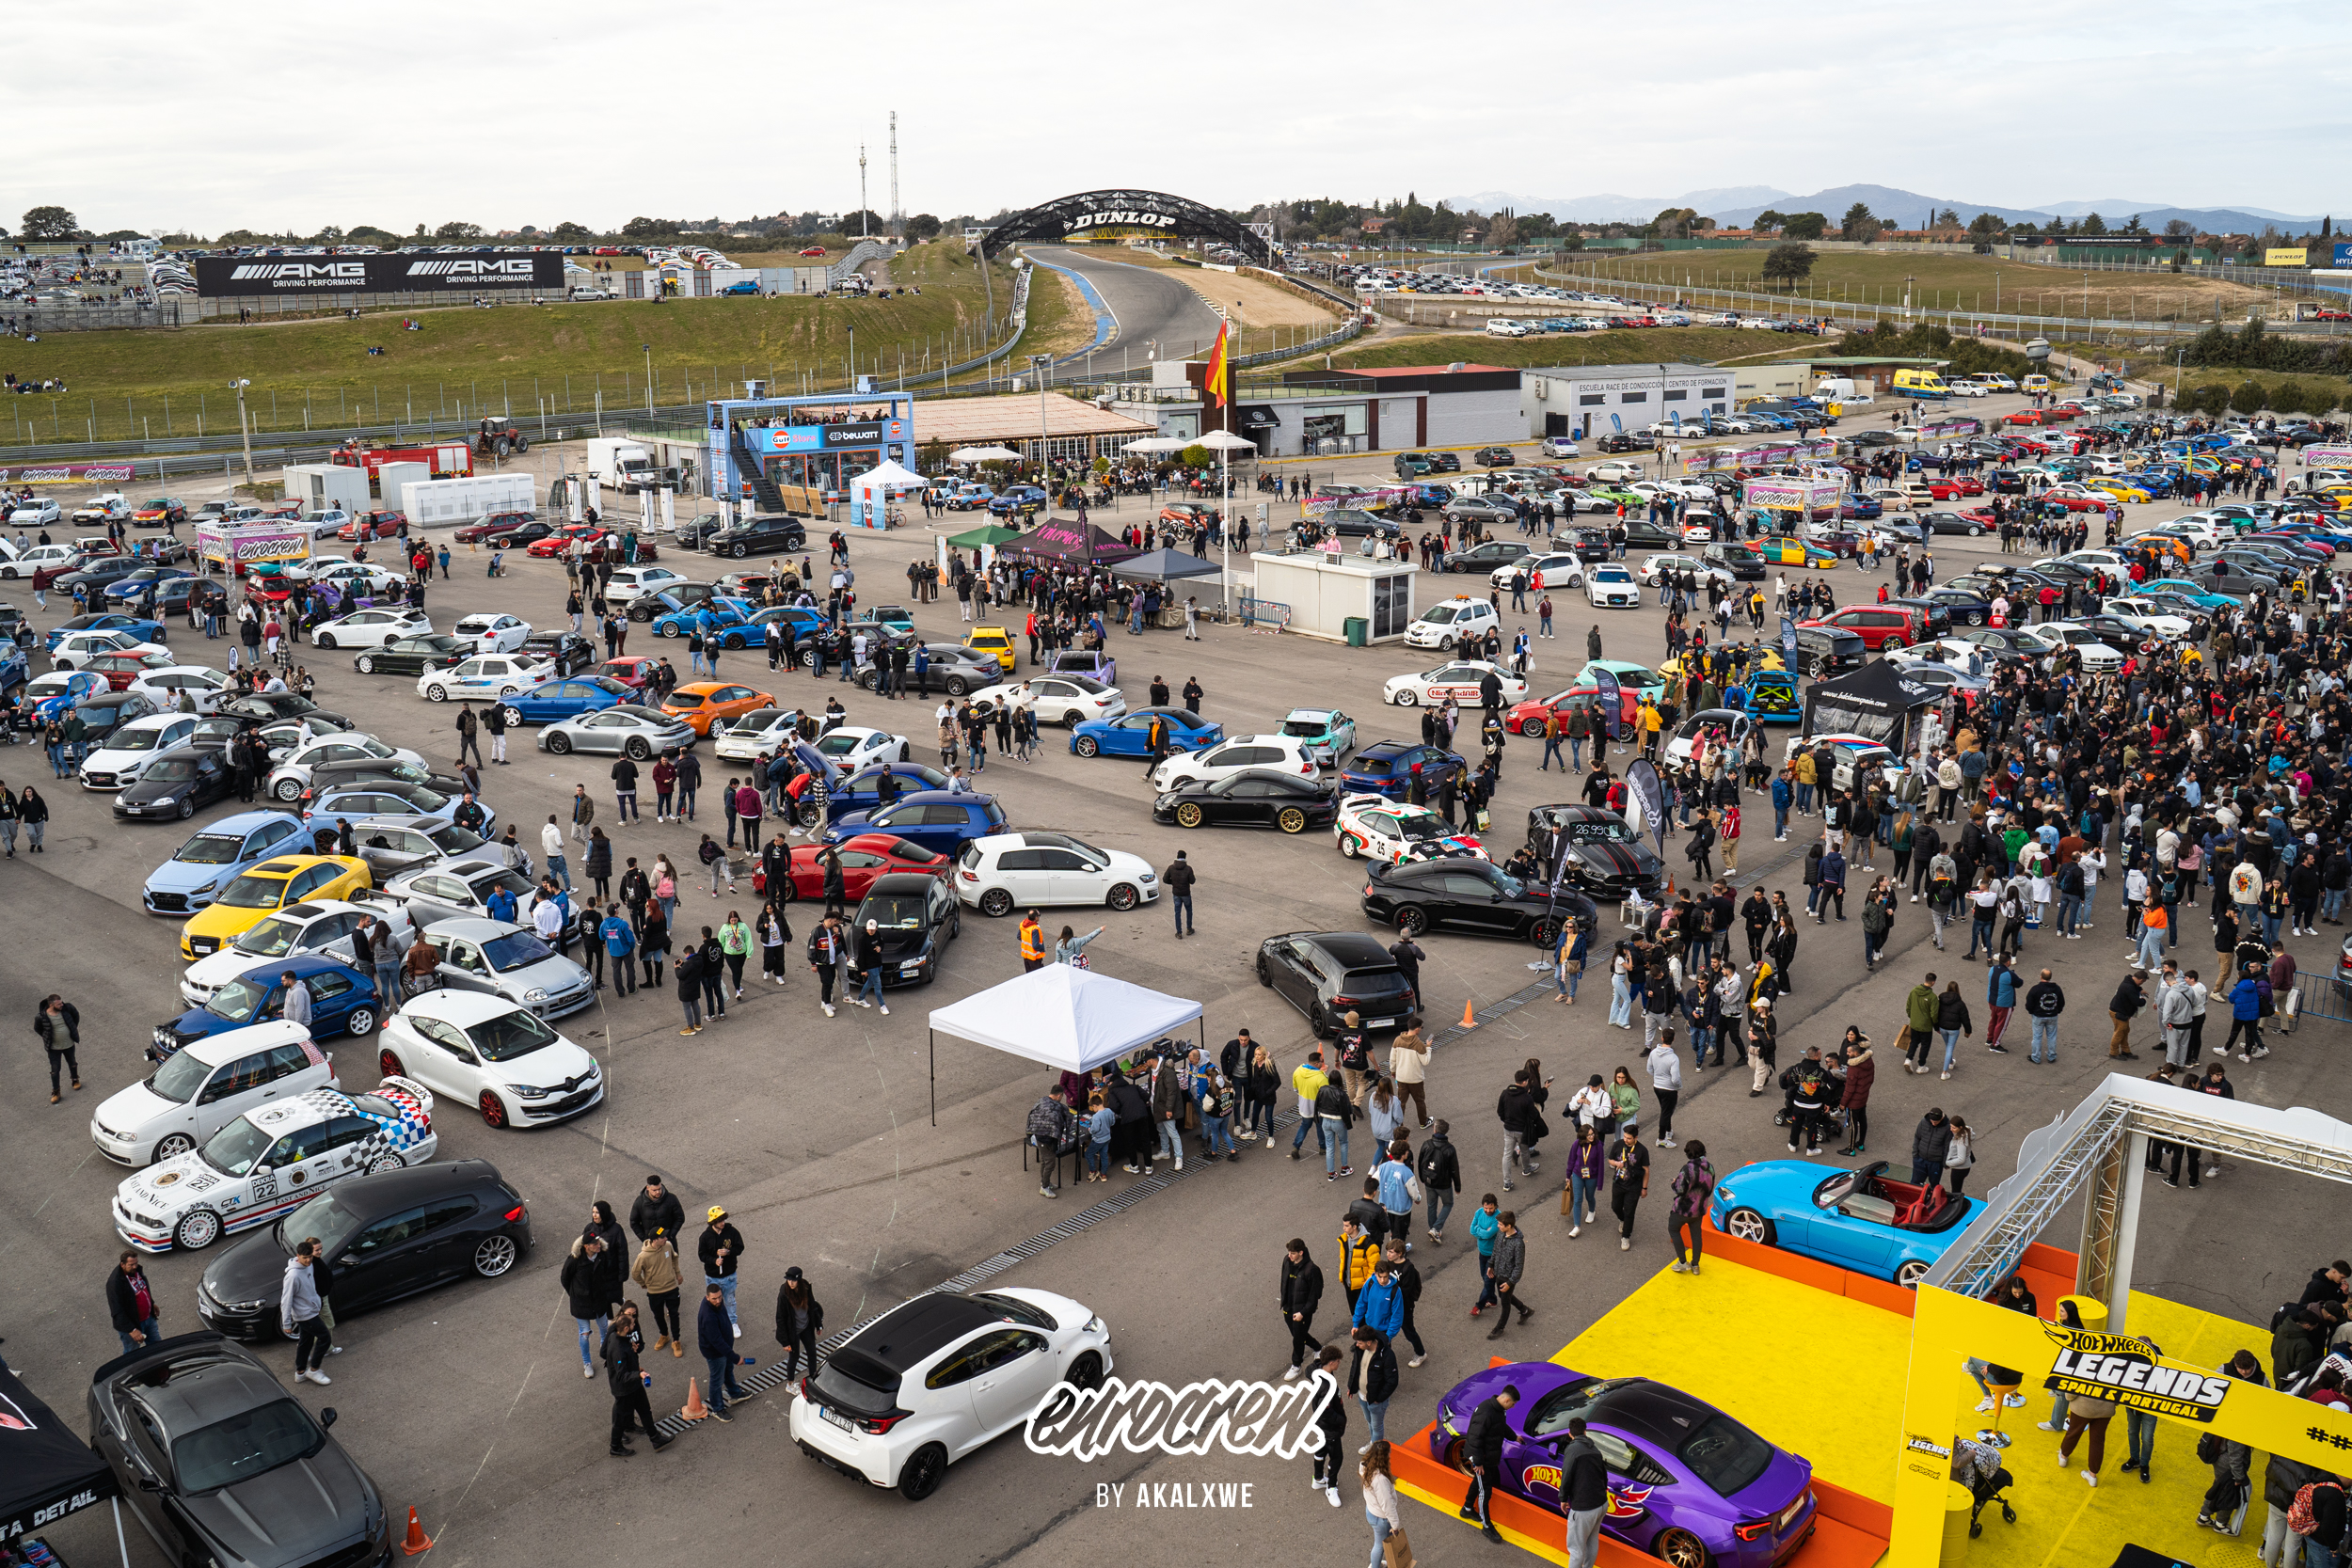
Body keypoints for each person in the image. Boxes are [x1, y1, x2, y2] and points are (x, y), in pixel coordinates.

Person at [1458, 1382, 1517, 1544]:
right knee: (1485, 1491)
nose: (1513, 1407)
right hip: (1480, 1458)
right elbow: (1475, 1439)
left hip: (1486, 1457)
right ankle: (1486, 1525)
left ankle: (1467, 1509)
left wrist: (1514, 1437)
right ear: (1506, 1401)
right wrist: (1478, 1463)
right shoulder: (1486, 1413)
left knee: (1478, 1483)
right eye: (1513, 1404)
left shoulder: (1498, 1411)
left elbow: (1501, 1427)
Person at [562, 1232, 621, 1378]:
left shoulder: (602, 1256)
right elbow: (565, 1278)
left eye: (598, 1242)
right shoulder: (574, 1260)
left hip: (599, 1301)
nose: (598, 1245)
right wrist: (576, 1294)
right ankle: (587, 1363)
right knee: (585, 1333)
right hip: (581, 1304)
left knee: (604, 1328)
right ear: (586, 1247)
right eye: (595, 1244)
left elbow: (606, 1273)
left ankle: (606, 1352)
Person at [696, 1283, 749, 1421]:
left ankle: (735, 1394)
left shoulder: (717, 1305)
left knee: (727, 1370)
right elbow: (717, 1341)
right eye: (714, 1299)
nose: (718, 1301)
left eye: (720, 1297)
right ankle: (718, 1408)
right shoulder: (708, 1316)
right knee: (717, 1379)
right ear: (707, 1298)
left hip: (724, 1348)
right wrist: (735, 1357)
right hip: (715, 1352)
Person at [281, 1240, 332, 1385]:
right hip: (305, 1315)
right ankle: (314, 1370)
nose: (309, 1260)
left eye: (310, 1256)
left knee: (305, 1342)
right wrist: (286, 1323)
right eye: (305, 1258)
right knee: (325, 1338)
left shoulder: (309, 1266)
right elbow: (286, 1300)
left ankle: (301, 1372)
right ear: (298, 1256)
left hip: (311, 1310)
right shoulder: (292, 1276)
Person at [629, 1230, 685, 1357]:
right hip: (655, 1292)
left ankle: (676, 1341)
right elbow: (635, 1273)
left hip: (671, 1287)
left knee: (674, 1314)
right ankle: (664, 1335)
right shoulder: (643, 1256)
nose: (666, 1238)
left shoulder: (668, 1246)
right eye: (662, 1237)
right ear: (655, 1240)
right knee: (658, 1315)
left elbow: (674, 1258)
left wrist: (678, 1273)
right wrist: (643, 1283)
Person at [697, 1205, 745, 1338]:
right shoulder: (705, 1237)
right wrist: (714, 1260)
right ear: (713, 1222)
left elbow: (740, 1247)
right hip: (712, 1277)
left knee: (729, 1300)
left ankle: (732, 1323)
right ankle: (716, 1324)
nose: (722, 1223)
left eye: (723, 1219)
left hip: (729, 1275)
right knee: (714, 1302)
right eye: (719, 1221)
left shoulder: (732, 1232)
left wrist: (728, 1252)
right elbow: (702, 1255)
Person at [1667, 1138, 1714, 1275]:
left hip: (1683, 1209)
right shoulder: (1710, 1168)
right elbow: (1709, 1188)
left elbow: (1680, 1189)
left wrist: (1673, 1183)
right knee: (1696, 1236)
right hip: (1699, 1209)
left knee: (1674, 1230)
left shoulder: (1688, 1169)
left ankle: (1682, 1262)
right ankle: (1695, 1265)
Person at [1279, 1237, 1324, 1379]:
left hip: (1302, 1312)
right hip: (1288, 1307)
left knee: (1298, 1338)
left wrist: (1303, 1312)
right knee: (1298, 1334)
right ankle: (1318, 1348)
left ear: (1301, 1252)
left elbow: (1315, 1295)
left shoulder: (1312, 1270)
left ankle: (1296, 1366)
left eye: (1293, 1253)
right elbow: (1283, 1282)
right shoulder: (1287, 1261)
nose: (1289, 1256)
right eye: (1289, 1253)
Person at [773, 1266, 824, 1383]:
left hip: (806, 1327)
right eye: (789, 1279)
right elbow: (780, 1318)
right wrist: (785, 1342)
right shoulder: (784, 1294)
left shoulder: (805, 1287)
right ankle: (790, 1384)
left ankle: (813, 1378)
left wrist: (818, 1324)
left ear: (799, 1280)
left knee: (812, 1352)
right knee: (794, 1357)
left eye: (794, 1280)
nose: (791, 1283)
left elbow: (812, 1306)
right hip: (793, 1331)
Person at [1486, 1210, 1532, 1338]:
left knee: (1505, 1302)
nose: (1498, 1226)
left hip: (1508, 1278)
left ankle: (1499, 1328)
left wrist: (1510, 1282)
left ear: (1509, 1226)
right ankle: (1525, 1310)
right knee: (1503, 1296)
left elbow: (1519, 1266)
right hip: (1499, 1273)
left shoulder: (1518, 1244)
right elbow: (1495, 1250)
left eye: (1500, 1224)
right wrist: (1491, 1264)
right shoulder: (1501, 1235)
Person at [1608, 1122, 1650, 1253]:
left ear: (1636, 1138)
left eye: (1629, 1138)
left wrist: (1644, 1188)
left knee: (1630, 1211)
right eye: (1625, 1137)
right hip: (1618, 1183)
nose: (1626, 1140)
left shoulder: (1642, 1150)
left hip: (1634, 1186)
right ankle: (1622, 1220)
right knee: (1615, 1206)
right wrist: (1615, 1163)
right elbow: (1610, 1159)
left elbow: (1646, 1170)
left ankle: (1626, 1236)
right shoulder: (1618, 1144)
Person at [107, 1251, 160, 1356]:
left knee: (157, 1346)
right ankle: (131, 1371)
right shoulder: (115, 1283)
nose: (135, 1266)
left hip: (148, 1319)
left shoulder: (135, 1271)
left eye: (136, 1263)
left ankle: (163, 1367)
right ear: (122, 1264)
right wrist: (132, 1330)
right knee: (132, 1354)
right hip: (132, 1325)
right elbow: (117, 1310)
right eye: (131, 1265)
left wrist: (151, 1303)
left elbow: (142, 1288)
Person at [1361, 1441, 1404, 1568]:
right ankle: (1375, 1566)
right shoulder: (1380, 1480)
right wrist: (1395, 1525)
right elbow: (1387, 1505)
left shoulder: (1365, 1465)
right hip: (1381, 1518)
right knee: (1379, 1545)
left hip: (1371, 1510)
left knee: (1379, 1543)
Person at [34, 992, 80, 1103]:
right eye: (59, 1004)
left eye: (61, 1003)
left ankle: (75, 1080)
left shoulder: (67, 1009)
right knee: (55, 1070)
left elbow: (75, 1017)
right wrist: (47, 1038)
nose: (62, 1005)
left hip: (68, 1044)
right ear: (51, 1005)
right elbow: (38, 1029)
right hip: (54, 1048)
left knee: (72, 1062)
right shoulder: (42, 1017)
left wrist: (72, 1030)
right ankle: (56, 1092)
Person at [1165, 849, 1196, 937]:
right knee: (1189, 910)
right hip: (1186, 893)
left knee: (1177, 912)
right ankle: (1189, 928)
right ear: (1185, 858)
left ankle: (1179, 932)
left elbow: (1165, 879)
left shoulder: (1171, 868)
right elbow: (1192, 881)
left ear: (1177, 857)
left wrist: (1174, 883)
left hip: (1176, 893)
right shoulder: (1188, 869)